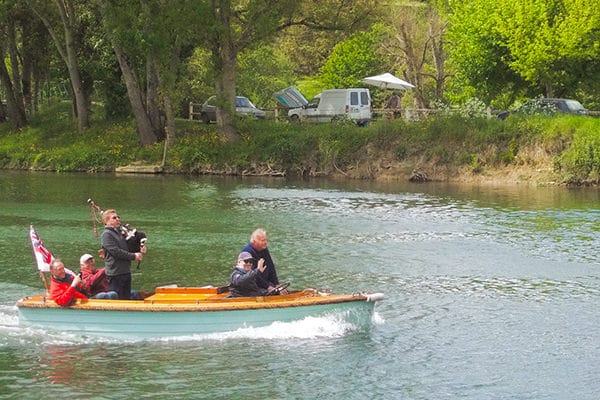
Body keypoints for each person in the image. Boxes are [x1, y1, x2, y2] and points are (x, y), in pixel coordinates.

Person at [101, 209, 145, 299]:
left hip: (125, 272)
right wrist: (134, 256)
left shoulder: (119, 233)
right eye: (114, 218)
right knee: (117, 299)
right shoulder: (106, 235)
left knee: (126, 299)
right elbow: (116, 252)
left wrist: (139, 249)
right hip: (115, 274)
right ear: (107, 221)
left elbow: (127, 248)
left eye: (118, 217)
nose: (117, 219)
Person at [240, 228, 288, 295]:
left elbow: (271, 267)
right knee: (272, 293)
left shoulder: (264, 249)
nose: (265, 242)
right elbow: (252, 276)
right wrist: (268, 287)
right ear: (254, 242)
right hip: (253, 285)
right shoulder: (247, 253)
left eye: (266, 240)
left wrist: (276, 284)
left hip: (265, 282)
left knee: (283, 291)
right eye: (262, 240)